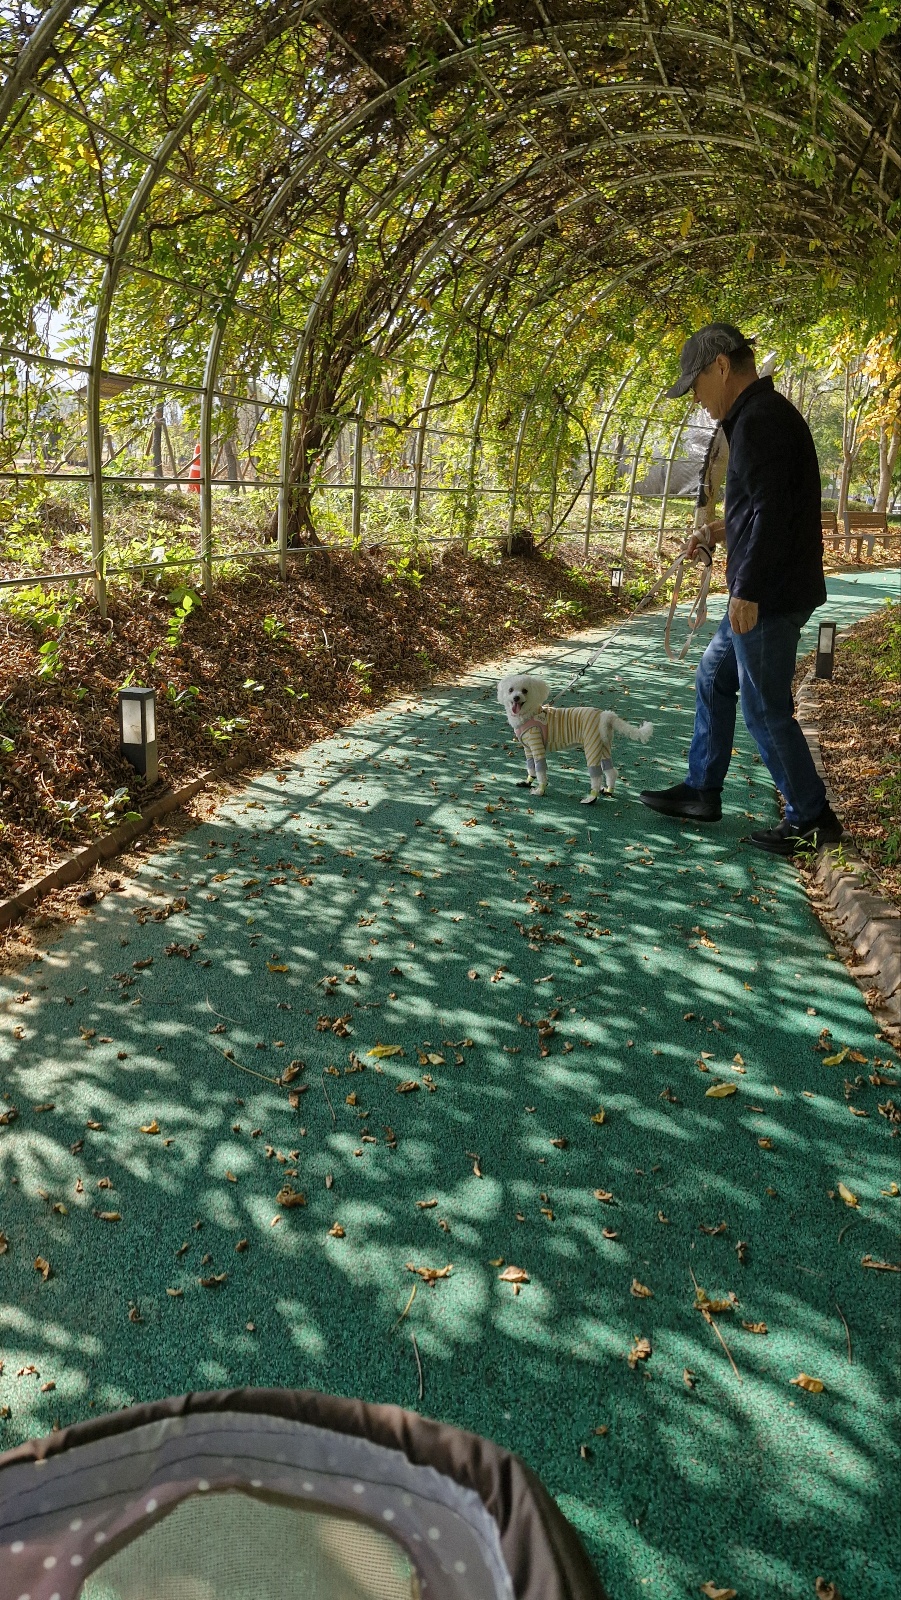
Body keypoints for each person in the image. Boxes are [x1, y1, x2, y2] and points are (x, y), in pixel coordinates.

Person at [638, 322, 842, 857]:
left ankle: (812, 818)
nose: (698, 402)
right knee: (713, 677)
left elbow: (772, 515)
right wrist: (713, 532)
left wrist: (745, 590)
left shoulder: (759, 422)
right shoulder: (759, 417)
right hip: (767, 589)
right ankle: (703, 790)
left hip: (768, 596)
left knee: (764, 706)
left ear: (722, 367)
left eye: (697, 386)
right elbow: (757, 508)